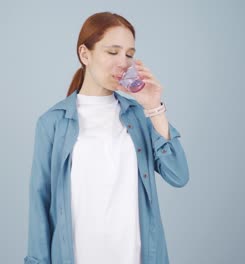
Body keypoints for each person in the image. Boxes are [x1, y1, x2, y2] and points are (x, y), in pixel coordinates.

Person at [24, 12, 189, 264]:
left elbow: (178, 175)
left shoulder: (139, 116)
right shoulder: (52, 123)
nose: (123, 62)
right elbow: (40, 203)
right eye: (113, 52)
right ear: (85, 54)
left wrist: (154, 107)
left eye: (129, 54)